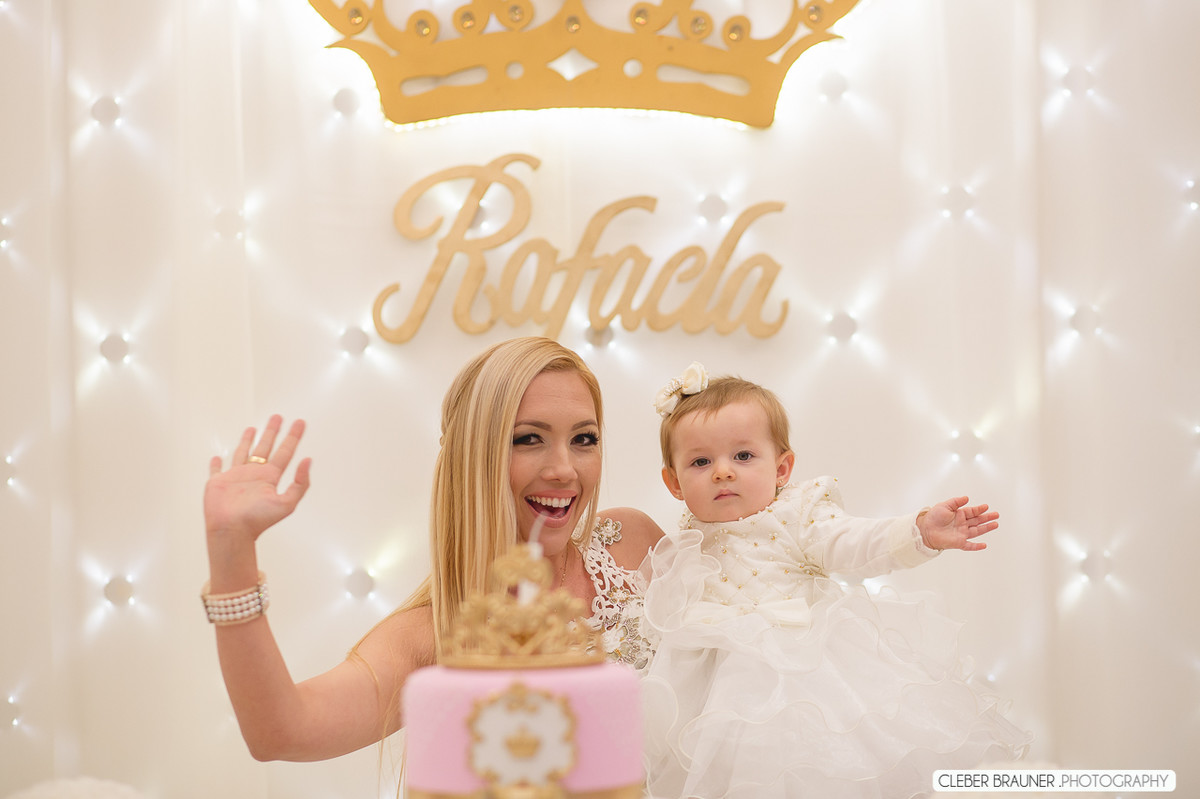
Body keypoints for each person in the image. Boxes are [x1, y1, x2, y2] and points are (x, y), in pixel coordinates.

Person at [201, 336, 662, 763]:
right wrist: (231, 553)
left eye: (584, 439)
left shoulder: (633, 544)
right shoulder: (430, 635)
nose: (564, 469)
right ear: (472, 455)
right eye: (528, 439)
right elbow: (282, 732)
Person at [638, 363, 1031, 799]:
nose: (723, 471)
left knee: (819, 772)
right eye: (700, 461)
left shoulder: (799, 516)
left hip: (805, 673)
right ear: (674, 482)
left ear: (782, 468)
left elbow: (853, 542)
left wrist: (917, 531)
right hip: (715, 697)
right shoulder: (682, 545)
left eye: (743, 456)